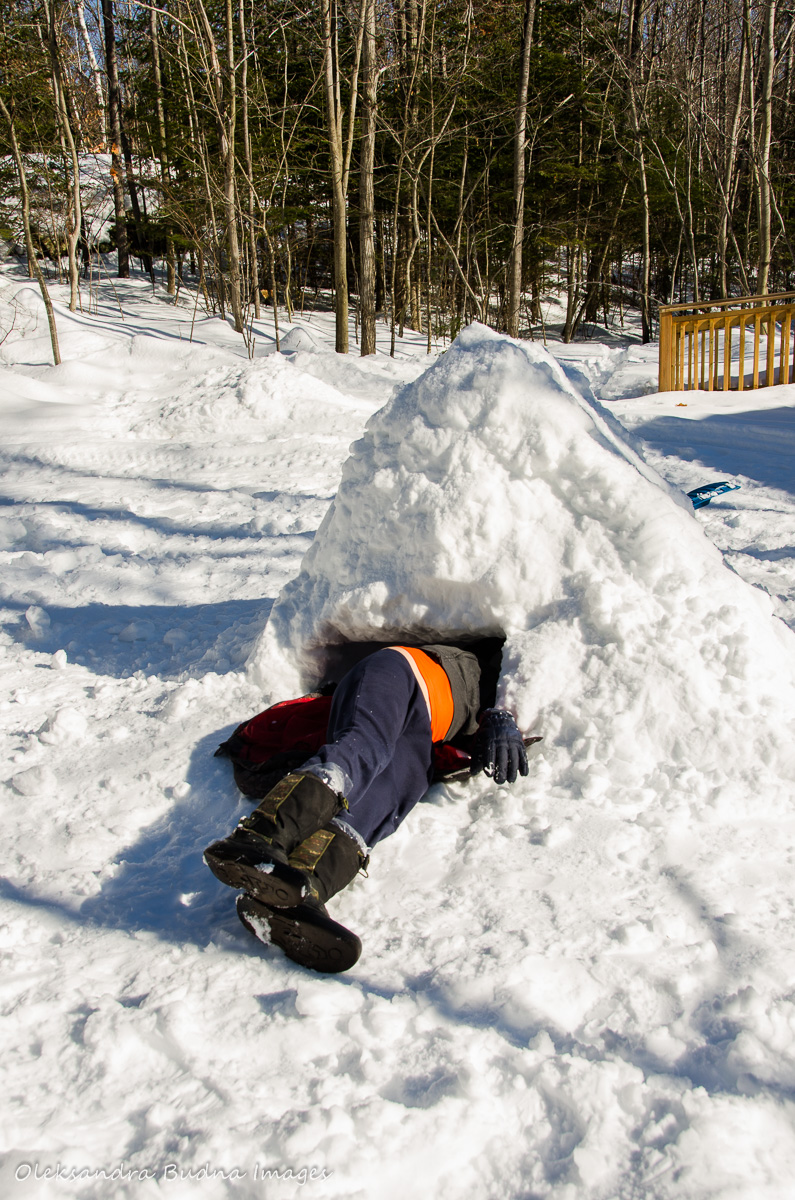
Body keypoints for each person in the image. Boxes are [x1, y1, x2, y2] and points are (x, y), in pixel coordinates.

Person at [204, 639, 530, 972]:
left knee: (382, 804)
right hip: (404, 673)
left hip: (427, 731)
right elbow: (517, 656)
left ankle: (302, 890)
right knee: (364, 745)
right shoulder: (485, 664)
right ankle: (261, 835)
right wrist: (502, 712)